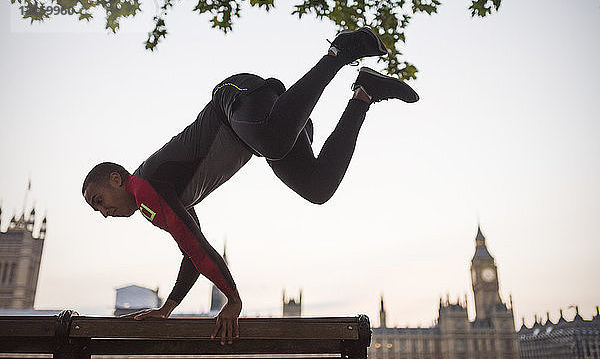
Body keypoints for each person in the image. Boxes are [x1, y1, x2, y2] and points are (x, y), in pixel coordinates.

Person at [81, 27, 418, 346]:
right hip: (263, 130)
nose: (103, 212)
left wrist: (233, 299)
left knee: (272, 141)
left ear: (116, 179)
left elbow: (194, 244)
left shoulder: (146, 190)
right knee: (317, 188)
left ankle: (340, 52)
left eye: (99, 200)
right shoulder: (160, 195)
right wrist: (168, 307)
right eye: (97, 209)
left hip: (236, 104)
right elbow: (192, 250)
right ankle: (365, 93)